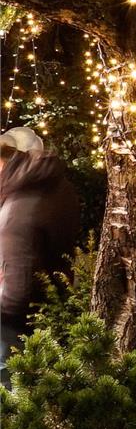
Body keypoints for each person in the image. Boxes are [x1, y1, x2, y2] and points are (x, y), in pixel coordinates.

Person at [0, 135, 81, 363]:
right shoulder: (54, 184)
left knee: (10, 383)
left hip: (15, 325)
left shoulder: (18, 209)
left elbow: (18, 292)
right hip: (54, 304)